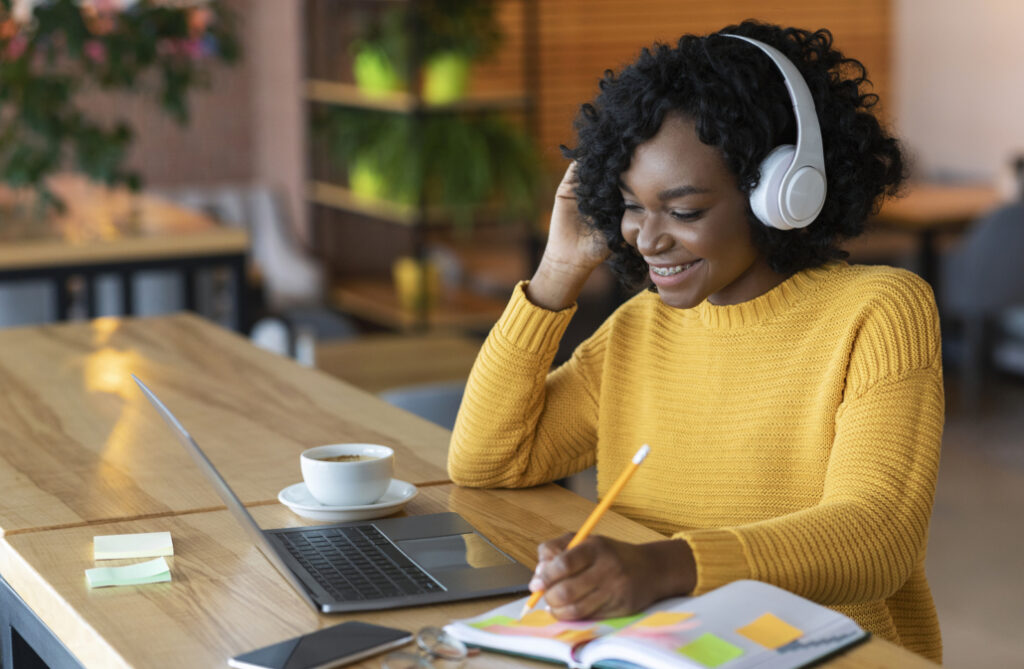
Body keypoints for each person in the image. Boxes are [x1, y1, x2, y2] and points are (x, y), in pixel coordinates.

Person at [447, 19, 943, 663]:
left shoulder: (878, 312)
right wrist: (557, 274)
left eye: (683, 211)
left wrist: (662, 567)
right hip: (671, 643)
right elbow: (488, 462)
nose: (647, 238)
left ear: (782, 193)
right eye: (630, 205)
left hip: (821, 650)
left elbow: (878, 538)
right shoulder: (640, 328)